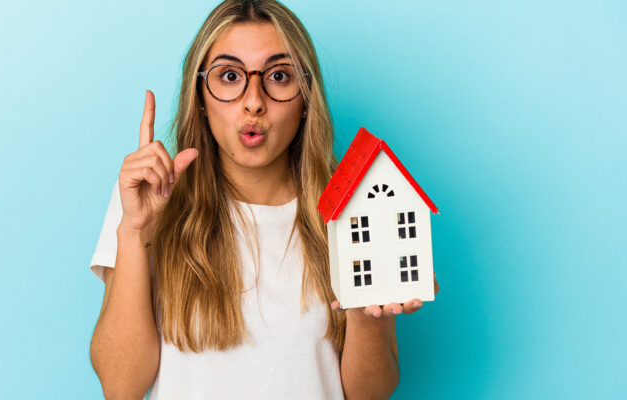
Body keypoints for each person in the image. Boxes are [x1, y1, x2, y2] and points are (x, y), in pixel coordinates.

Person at [88, 1, 440, 399]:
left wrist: (368, 317)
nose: (253, 101)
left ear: (306, 97)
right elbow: (121, 386)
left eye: (278, 76)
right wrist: (135, 234)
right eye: (230, 75)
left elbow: (368, 394)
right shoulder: (147, 202)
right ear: (200, 97)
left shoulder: (352, 209)